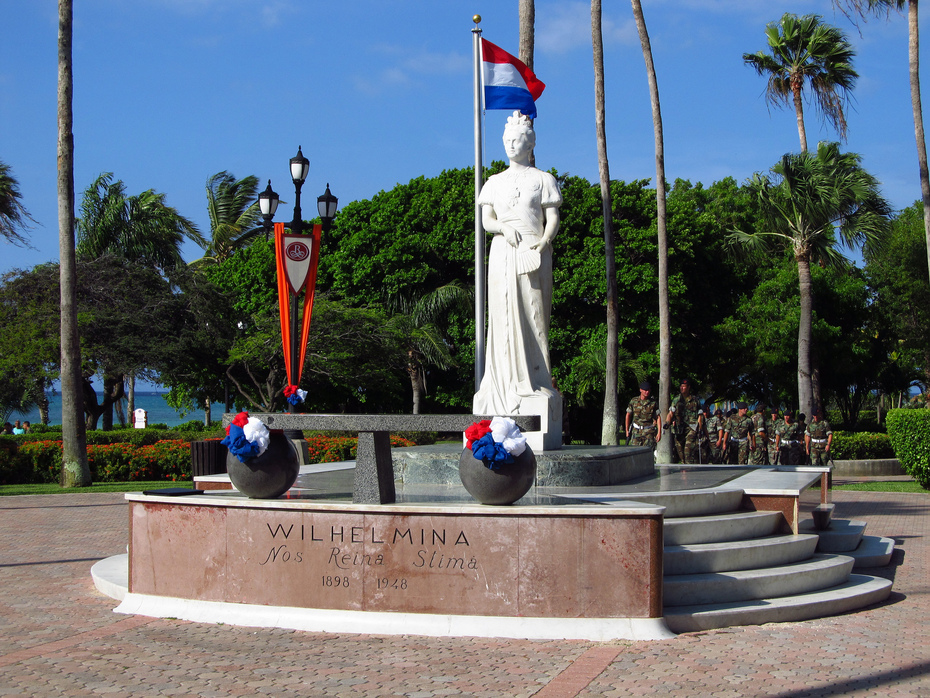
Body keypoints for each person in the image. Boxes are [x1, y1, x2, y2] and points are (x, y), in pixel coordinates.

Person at [473, 111, 563, 425]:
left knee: (534, 315)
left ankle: (535, 382)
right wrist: (502, 229)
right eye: (508, 140)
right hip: (502, 253)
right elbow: (486, 220)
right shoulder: (493, 182)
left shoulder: (543, 180)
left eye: (518, 140)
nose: (512, 145)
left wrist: (544, 241)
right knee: (501, 317)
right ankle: (501, 384)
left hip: (533, 252)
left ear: (530, 143)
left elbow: (552, 218)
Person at [667, 378, 702, 464]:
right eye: (681, 386)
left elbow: (700, 415)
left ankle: (689, 469)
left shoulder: (695, 400)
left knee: (688, 451)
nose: (682, 388)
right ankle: (684, 469)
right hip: (679, 429)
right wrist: (667, 422)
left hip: (691, 428)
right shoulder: (676, 400)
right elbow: (671, 413)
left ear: (688, 387)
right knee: (680, 453)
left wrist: (700, 427)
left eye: (684, 386)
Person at [625, 381, 661, 450]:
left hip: (649, 431)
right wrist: (627, 430)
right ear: (640, 390)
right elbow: (628, 415)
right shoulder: (634, 401)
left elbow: (658, 417)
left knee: (647, 453)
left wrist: (659, 432)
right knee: (634, 452)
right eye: (645, 390)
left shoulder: (653, 403)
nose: (647, 392)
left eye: (648, 390)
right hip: (636, 430)